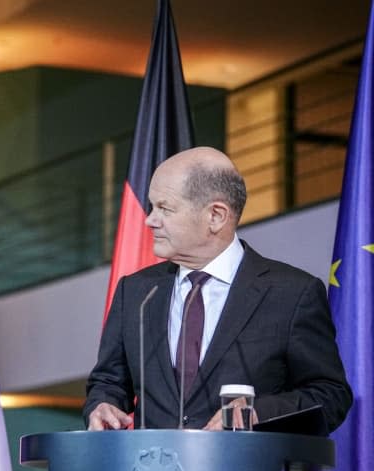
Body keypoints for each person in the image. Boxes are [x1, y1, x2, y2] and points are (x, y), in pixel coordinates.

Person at [84, 146, 352, 432]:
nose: (150, 220)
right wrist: (103, 405)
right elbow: (108, 382)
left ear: (216, 216)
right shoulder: (136, 292)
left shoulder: (292, 293)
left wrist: (259, 412)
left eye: (164, 208)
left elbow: (330, 394)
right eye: (152, 206)